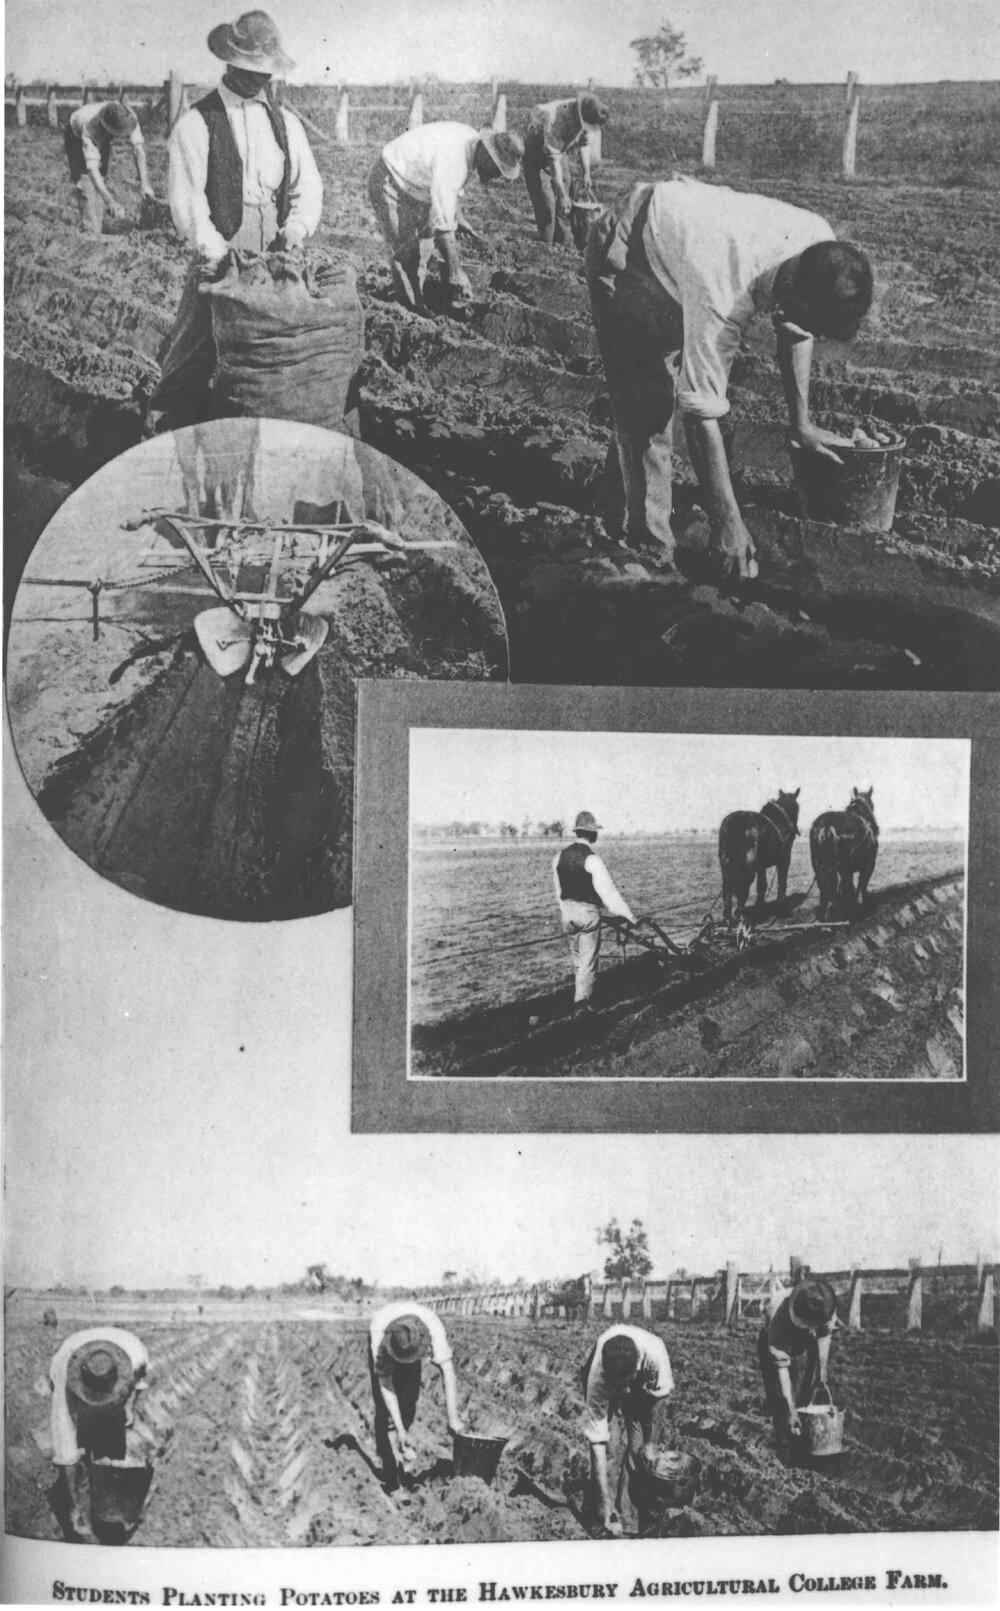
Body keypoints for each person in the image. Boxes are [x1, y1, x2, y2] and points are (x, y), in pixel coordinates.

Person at [586, 174, 874, 578]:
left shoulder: (817, 245)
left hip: (678, 248)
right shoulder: (721, 291)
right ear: (790, 291)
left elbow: (796, 328)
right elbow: (701, 416)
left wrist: (802, 424)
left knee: (650, 402)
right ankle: (649, 556)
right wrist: (728, 524)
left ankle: (610, 517)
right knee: (649, 403)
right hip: (627, 251)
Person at [150, 10, 323, 428]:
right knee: (196, 346)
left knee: (263, 352)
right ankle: (160, 433)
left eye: (265, 73)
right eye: (250, 71)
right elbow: (188, 202)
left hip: (273, 246)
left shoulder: (286, 123)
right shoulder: (196, 122)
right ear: (229, 62)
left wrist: (295, 230)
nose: (257, 81)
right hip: (221, 243)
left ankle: (244, 433)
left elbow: (308, 186)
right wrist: (216, 254)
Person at [368, 123, 524, 314]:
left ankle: (412, 297)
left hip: (417, 187)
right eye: (498, 169)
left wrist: (460, 218)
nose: (496, 176)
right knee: (406, 251)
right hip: (391, 179)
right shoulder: (455, 159)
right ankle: (409, 313)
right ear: (488, 154)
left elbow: (452, 191)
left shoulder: (473, 145)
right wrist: (455, 271)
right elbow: (443, 226)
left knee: (424, 245)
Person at [47, 1327, 151, 1541]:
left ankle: (107, 1493)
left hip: (120, 1362)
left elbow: (137, 1387)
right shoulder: (63, 1370)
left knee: (112, 1432)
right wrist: (76, 1507)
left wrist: (129, 1409)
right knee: (72, 1445)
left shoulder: (136, 1356)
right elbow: (65, 1450)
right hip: (67, 1369)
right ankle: (79, 1508)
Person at [582, 1325, 674, 1537]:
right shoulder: (597, 1377)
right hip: (608, 1376)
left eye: (625, 1385)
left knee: (639, 1448)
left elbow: (658, 1402)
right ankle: (603, 1513)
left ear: (635, 1372)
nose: (622, 1392)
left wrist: (651, 1444)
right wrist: (603, 1503)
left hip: (641, 1385)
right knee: (609, 1447)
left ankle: (626, 1516)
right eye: (617, 1387)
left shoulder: (655, 1354)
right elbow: (597, 1441)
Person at [368, 1300, 464, 1489]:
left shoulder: (432, 1326)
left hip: (410, 1340)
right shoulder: (379, 1334)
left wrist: (453, 1418)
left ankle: (403, 1448)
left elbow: (448, 1371)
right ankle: (392, 1470)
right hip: (390, 1339)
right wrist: (399, 1430)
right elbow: (386, 1384)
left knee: (410, 1398)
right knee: (384, 1409)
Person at [553, 810, 638, 1010]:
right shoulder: (592, 860)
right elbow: (609, 895)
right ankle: (582, 1009)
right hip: (587, 916)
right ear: (592, 834)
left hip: (567, 914)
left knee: (578, 963)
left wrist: (567, 911)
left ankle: (580, 1001)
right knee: (588, 964)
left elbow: (559, 892)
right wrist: (629, 916)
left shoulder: (559, 857)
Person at [757, 1278, 838, 1450]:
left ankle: (807, 1442)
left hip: (805, 1342)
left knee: (806, 1390)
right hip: (773, 1342)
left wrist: (821, 1371)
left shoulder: (825, 1304)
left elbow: (824, 1334)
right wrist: (790, 1408)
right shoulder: (777, 1316)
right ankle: (786, 1448)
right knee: (780, 1399)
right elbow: (781, 1367)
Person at [522, 92, 608, 246]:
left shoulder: (587, 116)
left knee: (566, 191)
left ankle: (563, 241)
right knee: (547, 200)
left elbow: (584, 144)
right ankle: (546, 244)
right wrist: (561, 194)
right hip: (537, 154)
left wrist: (586, 173)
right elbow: (553, 160)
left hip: (558, 152)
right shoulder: (555, 118)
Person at [64, 101, 155, 235]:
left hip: (101, 132)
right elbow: (91, 170)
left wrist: (145, 184)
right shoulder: (91, 127)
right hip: (75, 136)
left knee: (102, 175)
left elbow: (139, 151)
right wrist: (110, 201)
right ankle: (89, 231)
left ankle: (98, 221)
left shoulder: (129, 117)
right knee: (86, 183)